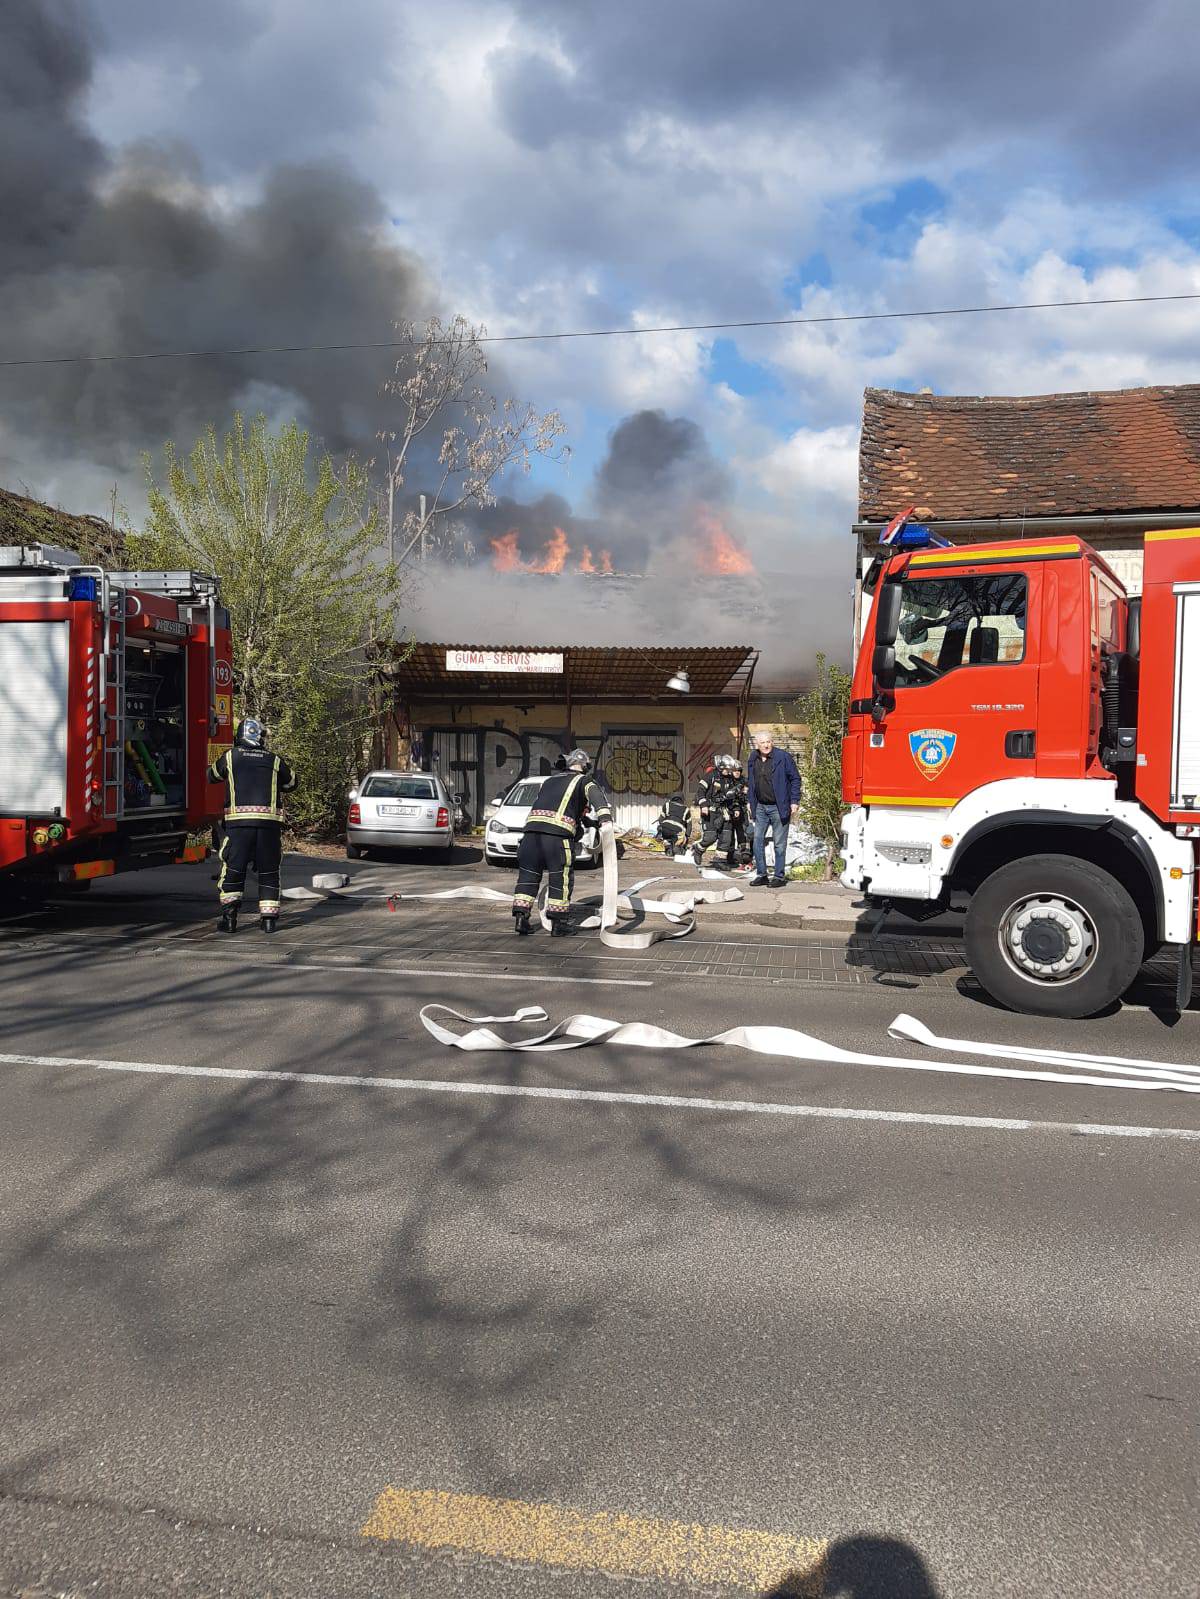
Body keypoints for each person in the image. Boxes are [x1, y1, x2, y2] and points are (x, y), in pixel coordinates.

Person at [207, 717, 296, 933]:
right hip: (269, 827)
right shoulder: (274, 760)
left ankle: (230, 920)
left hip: (239, 826)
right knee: (269, 870)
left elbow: (212, 776)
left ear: (240, 736)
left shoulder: (231, 757)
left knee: (234, 869)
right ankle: (268, 921)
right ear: (260, 737)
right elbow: (292, 783)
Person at [512, 749, 613, 936]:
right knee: (560, 879)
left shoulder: (550, 781)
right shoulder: (584, 781)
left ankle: (521, 919)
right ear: (584, 767)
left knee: (527, 878)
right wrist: (605, 822)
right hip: (557, 839)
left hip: (530, 837)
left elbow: (564, 807)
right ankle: (558, 924)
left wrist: (587, 822)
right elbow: (598, 800)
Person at [746, 730, 802, 888]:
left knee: (779, 844)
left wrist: (794, 801)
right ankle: (762, 874)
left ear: (772, 742)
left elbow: (795, 778)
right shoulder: (753, 757)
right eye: (763, 742)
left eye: (768, 742)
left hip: (779, 806)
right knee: (757, 840)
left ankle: (778, 876)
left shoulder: (782, 757)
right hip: (761, 807)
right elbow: (751, 782)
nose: (766, 745)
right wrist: (750, 802)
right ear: (757, 744)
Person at [692, 754, 746, 869]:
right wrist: (704, 805)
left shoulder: (730, 779)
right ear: (721, 767)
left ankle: (719, 861)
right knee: (710, 837)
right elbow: (700, 792)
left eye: (730, 769)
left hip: (725, 812)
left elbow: (734, 796)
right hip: (710, 812)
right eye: (727, 769)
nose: (729, 771)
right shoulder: (710, 776)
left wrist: (736, 808)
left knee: (726, 838)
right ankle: (698, 849)